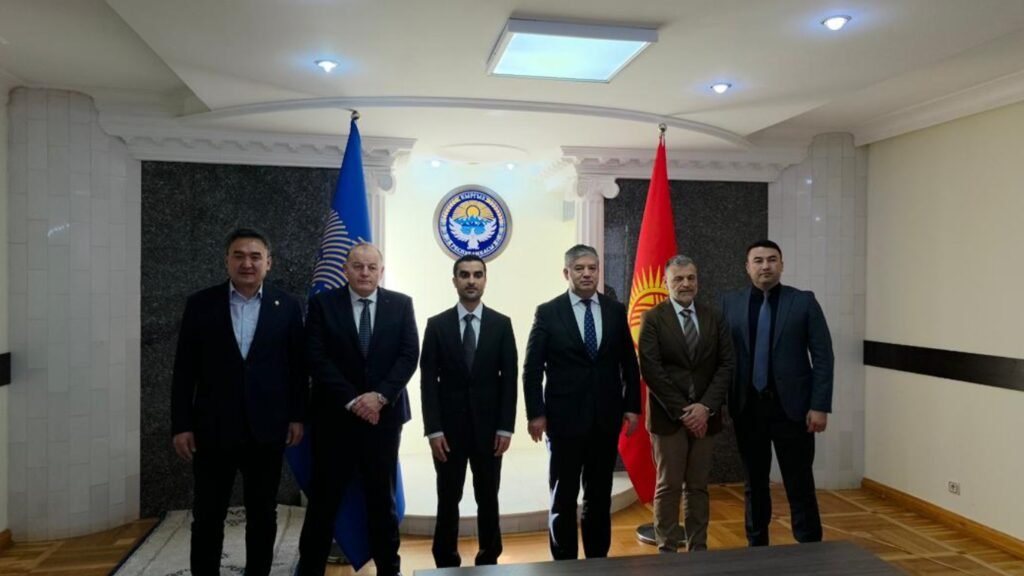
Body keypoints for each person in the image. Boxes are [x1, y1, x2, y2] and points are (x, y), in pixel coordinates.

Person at [171, 227, 307, 576]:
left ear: (268, 263)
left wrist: (297, 415)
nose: (247, 263)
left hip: (267, 429)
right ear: (227, 261)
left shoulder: (288, 306)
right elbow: (184, 369)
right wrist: (181, 425)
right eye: (239, 256)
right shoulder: (201, 304)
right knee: (208, 513)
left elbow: (297, 368)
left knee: (262, 513)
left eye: (255, 256)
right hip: (212, 428)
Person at [296, 243, 419, 576]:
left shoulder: (401, 304)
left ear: (381, 271)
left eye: (371, 267)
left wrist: (379, 396)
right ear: (345, 270)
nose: (365, 273)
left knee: (382, 501)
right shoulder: (322, 304)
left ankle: (389, 570)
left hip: (383, 419)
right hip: (334, 419)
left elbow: (409, 355)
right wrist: (353, 400)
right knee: (324, 501)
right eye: (358, 266)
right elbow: (315, 357)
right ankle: (310, 570)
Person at [522, 244, 641, 560]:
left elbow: (629, 364)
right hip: (563, 422)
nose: (587, 274)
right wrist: (536, 413)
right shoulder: (548, 312)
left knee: (599, 496)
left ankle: (597, 561)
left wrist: (632, 406)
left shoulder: (615, 310)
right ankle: (565, 564)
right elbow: (532, 368)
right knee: (563, 497)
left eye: (592, 268)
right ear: (567, 273)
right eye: (579, 268)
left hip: (605, 419)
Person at [720, 239, 834, 546]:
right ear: (747, 267)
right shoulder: (730, 303)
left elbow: (823, 356)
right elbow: (722, 357)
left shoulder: (803, 302)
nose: (765, 266)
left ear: (782, 265)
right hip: (747, 409)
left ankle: (809, 547)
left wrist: (820, 405)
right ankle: (757, 546)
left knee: (799, 483)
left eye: (772, 259)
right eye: (758, 261)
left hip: (793, 411)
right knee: (754, 484)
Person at [420, 254, 518, 567]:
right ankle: (445, 560)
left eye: (477, 275)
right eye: (464, 275)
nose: (471, 281)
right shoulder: (437, 325)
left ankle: (489, 558)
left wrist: (505, 427)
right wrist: (434, 430)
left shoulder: (501, 325)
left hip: (490, 433)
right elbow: (427, 382)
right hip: (448, 434)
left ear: (485, 280)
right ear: (455, 281)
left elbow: (509, 380)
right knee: (448, 498)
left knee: (488, 498)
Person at [638, 255, 734, 553]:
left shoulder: (714, 317)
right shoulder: (653, 318)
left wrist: (705, 408)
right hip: (668, 418)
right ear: (666, 282)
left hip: (706, 416)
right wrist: (685, 411)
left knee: (698, 486)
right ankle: (667, 550)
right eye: (678, 279)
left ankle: (698, 549)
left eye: (691, 278)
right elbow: (651, 369)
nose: (685, 284)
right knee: (668, 486)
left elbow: (726, 364)